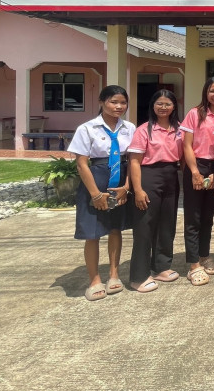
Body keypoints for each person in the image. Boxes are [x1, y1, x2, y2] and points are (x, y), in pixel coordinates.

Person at [68, 85, 136, 301]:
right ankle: (94, 279)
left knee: (115, 228)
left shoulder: (129, 128)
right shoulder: (87, 129)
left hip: (120, 182)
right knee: (93, 233)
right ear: (101, 102)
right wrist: (95, 194)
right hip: (95, 180)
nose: (119, 106)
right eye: (113, 102)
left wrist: (127, 187)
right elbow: (81, 164)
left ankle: (114, 275)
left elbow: (133, 160)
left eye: (123, 103)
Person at [127, 90, 182, 293]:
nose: (163, 107)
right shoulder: (144, 130)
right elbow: (134, 161)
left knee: (167, 223)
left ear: (174, 106)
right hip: (149, 175)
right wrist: (138, 189)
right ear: (153, 105)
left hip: (171, 175)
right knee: (145, 225)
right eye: (159, 103)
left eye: (167, 104)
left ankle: (161, 267)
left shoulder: (179, 129)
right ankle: (138, 276)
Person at [180, 76, 214, 286]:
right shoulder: (195, 113)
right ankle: (193, 265)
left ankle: (204, 256)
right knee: (193, 217)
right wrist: (194, 172)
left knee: (208, 217)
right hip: (197, 165)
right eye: (212, 91)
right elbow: (186, 145)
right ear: (206, 93)